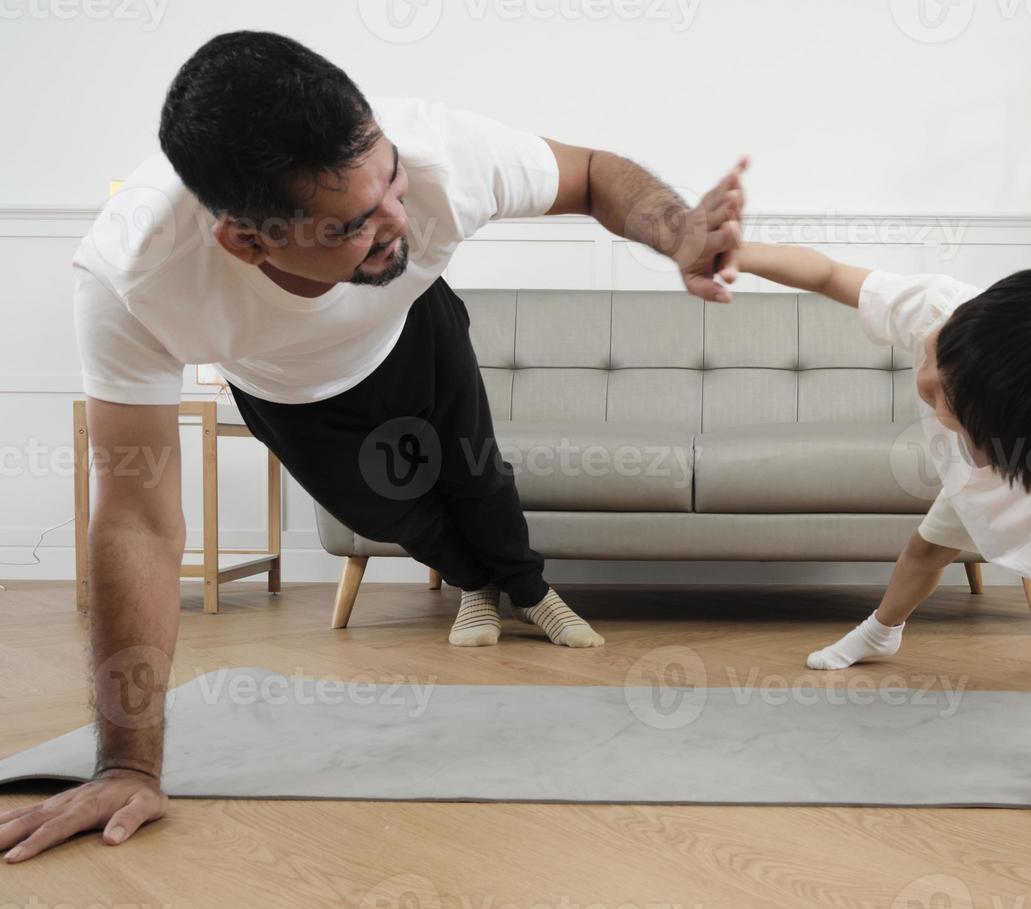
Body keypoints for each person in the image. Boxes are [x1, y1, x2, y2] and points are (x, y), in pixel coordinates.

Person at [0, 30, 745, 863]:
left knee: (474, 472)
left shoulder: (439, 154)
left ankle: (531, 593)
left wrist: (675, 228)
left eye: (391, 180)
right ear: (248, 241)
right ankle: (473, 584)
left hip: (418, 327)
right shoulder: (131, 276)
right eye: (354, 224)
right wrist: (127, 765)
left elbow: (596, 173)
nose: (399, 221)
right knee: (402, 514)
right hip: (296, 397)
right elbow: (136, 520)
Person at [733, 243, 1031, 828]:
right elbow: (831, 274)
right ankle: (880, 633)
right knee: (925, 548)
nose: (925, 381)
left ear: (998, 429)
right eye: (936, 361)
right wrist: (735, 251)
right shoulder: (948, 312)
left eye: (946, 398)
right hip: (977, 479)